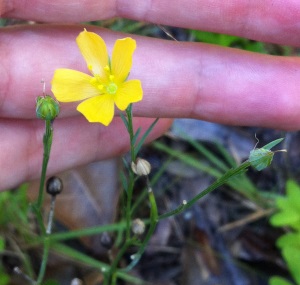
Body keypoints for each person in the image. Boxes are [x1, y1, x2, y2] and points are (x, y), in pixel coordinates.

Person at [1, 0, 300, 191]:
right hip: (105, 98)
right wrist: (105, 88)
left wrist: (114, 87)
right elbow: (97, 106)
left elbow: (125, 87)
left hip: (121, 91)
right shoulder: (99, 98)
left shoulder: (127, 85)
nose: (106, 84)